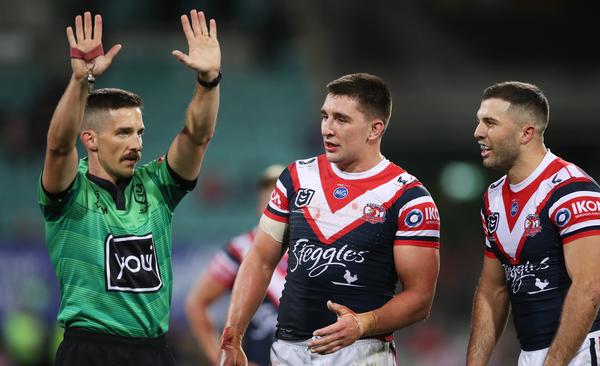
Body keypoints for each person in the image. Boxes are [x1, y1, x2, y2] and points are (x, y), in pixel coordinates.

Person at [38, 9, 221, 365]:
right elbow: (58, 146)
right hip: (89, 351)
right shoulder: (69, 192)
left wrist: (209, 80)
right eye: (123, 133)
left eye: (139, 132)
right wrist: (80, 81)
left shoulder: (157, 186)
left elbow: (197, 137)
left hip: (154, 351)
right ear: (89, 139)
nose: (136, 143)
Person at [219, 73, 441, 365]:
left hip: (360, 353)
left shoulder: (409, 198)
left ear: (375, 129)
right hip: (286, 351)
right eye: (325, 116)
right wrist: (232, 337)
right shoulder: (296, 177)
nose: (327, 128)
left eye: (341, 119)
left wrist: (364, 323)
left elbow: (420, 298)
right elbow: (259, 259)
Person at [466, 81, 600, 366]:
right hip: (533, 354)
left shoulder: (572, 190)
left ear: (526, 133)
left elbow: (589, 288)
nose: (478, 132)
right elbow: (492, 290)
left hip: (588, 352)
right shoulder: (493, 199)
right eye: (479, 122)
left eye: (490, 123)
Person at [185, 165, 288, 366]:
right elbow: (197, 304)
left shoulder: (314, 250)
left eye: (280, 193)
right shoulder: (240, 249)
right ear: (260, 204)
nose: (273, 199)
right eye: (268, 193)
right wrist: (222, 358)